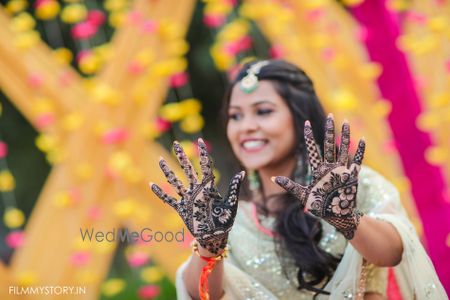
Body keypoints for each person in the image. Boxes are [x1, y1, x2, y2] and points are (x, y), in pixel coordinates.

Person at [149, 60, 447, 299]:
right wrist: (209, 245)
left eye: (263, 112)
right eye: (235, 116)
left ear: (299, 116)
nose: (246, 127)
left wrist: (346, 220)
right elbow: (202, 295)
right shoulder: (233, 221)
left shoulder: (350, 187)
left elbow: (394, 253)